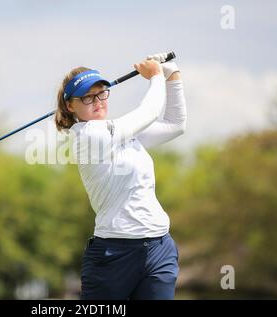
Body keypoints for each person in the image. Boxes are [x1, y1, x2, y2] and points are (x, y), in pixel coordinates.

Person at [54, 52, 186, 300]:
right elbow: (149, 112)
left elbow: (175, 124)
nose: (98, 101)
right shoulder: (89, 135)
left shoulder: (122, 132)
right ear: (70, 105)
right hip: (113, 255)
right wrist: (156, 76)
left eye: (101, 92)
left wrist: (171, 72)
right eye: (87, 97)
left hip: (159, 248)